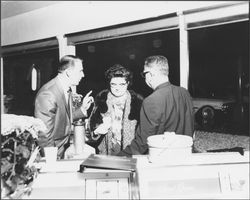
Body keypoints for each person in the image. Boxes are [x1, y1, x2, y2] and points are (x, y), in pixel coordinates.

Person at [117, 55, 194, 156]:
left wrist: (116, 158)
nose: (145, 78)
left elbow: (142, 144)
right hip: (185, 155)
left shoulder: (151, 101)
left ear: (150, 74)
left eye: (144, 74)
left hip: (162, 160)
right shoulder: (185, 93)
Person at [34, 55, 94, 159]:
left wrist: (83, 109)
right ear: (69, 72)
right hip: (53, 153)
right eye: (80, 71)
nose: (83, 75)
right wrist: (52, 160)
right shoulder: (48, 94)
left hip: (62, 149)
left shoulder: (67, 89)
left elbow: (62, 118)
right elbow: (44, 135)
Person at [86, 64, 144, 155]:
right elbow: (89, 132)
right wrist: (97, 131)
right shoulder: (102, 100)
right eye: (113, 84)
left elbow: (144, 134)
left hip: (130, 151)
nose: (117, 88)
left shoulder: (137, 102)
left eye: (122, 84)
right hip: (107, 151)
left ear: (128, 83)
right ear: (109, 84)